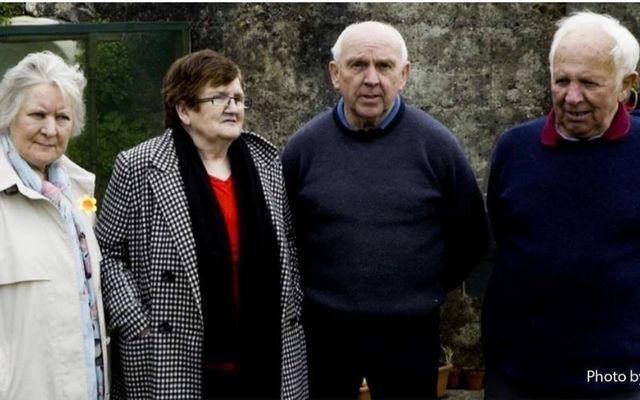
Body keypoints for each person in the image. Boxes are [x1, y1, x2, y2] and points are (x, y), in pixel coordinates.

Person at [282, 21, 489, 399]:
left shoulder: (437, 146)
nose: (372, 79)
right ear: (335, 74)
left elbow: (472, 237)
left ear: (405, 74)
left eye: (385, 66)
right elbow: (284, 238)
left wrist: (419, 287)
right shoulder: (303, 149)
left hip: (409, 334)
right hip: (324, 334)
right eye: (358, 65)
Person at [96, 49, 307, 400]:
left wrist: (293, 298)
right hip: (169, 352)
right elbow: (108, 251)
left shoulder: (266, 161)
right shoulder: (139, 166)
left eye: (238, 98)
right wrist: (134, 319)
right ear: (184, 110)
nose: (233, 107)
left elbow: (289, 241)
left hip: (265, 352)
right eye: (219, 97)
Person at [483, 11, 640, 399]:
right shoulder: (514, 148)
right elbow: (499, 240)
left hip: (617, 378)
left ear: (627, 85)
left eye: (589, 83)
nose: (571, 97)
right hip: (518, 376)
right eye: (561, 80)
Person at [0, 51, 109, 399]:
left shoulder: (77, 195)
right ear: (8, 115)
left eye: (62, 117)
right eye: (37, 115)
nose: (51, 129)